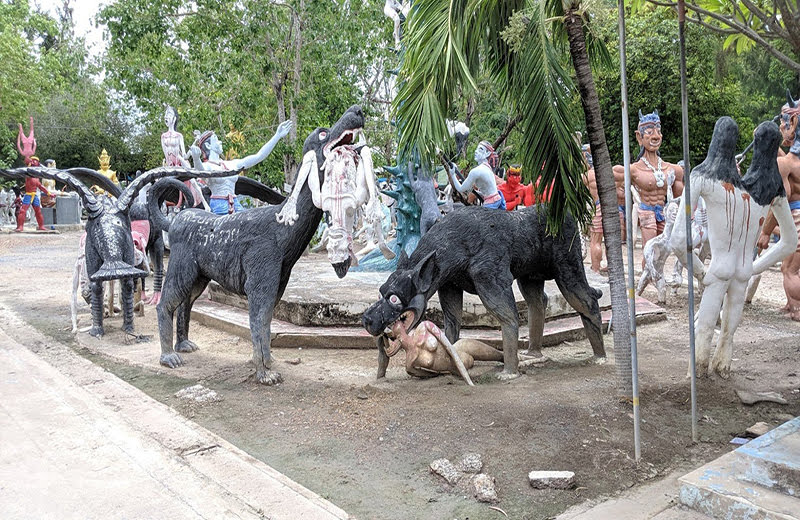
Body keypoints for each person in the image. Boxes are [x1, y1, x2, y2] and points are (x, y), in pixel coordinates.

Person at [671, 117, 796, 378]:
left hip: (718, 270)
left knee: (704, 329)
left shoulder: (702, 177)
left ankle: (698, 373)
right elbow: (789, 242)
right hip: (742, 271)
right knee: (728, 334)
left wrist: (699, 272)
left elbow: (677, 240)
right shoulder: (771, 190)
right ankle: (720, 367)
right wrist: (753, 267)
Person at [189, 120, 293, 215]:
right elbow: (200, 171)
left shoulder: (231, 164)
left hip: (236, 203)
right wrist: (196, 158)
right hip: (219, 206)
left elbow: (259, 156)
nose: (220, 142)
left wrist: (277, 136)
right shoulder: (208, 166)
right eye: (216, 140)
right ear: (208, 146)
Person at [757, 91, 800, 320]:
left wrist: (765, 233)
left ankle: (796, 305)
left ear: (793, 123)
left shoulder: (785, 165)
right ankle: (792, 306)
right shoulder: (787, 161)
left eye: (784, 121)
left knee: (789, 270)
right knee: (790, 267)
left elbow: (780, 200)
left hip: (795, 218)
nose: (782, 126)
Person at [614, 110, 683, 251]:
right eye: (650, 132)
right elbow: (608, 179)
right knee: (649, 249)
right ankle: (649, 273)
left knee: (664, 250)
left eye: (658, 131)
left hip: (663, 212)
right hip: (646, 211)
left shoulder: (674, 169)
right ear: (640, 137)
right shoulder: (633, 170)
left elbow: (680, 200)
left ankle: (658, 273)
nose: (656, 136)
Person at [161, 106, 208, 210]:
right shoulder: (163, 136)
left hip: (181, 161)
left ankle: (205, 204)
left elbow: (184, 155)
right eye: (166, 114)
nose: (166, 117)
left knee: (193, 182)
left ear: (174, 118)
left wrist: (192, 150)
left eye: (169, 114)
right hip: (171, 165)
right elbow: (165, 154)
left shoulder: (178, 136)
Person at [448, 140, 505, 210]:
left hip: (491, 203)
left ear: (487, 153)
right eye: (477, 149)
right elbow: (488, 190)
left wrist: (453, 175)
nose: (476, 151)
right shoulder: (487, 168)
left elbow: (461, 189)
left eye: (480, 149)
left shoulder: (476, 171)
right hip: (497, 199)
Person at [15, 156, 54, 232]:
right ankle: (20, 226)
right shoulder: (28, 173)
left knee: (38, 211)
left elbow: (41, 186)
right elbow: (27, 164)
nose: (33, 161)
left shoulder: (37, 177)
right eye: (32, 160)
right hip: (28, 195)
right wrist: (28, 160)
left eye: (35, 161)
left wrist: (49, 193)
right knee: (23, 211)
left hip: (34, 195)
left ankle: (41, 226)